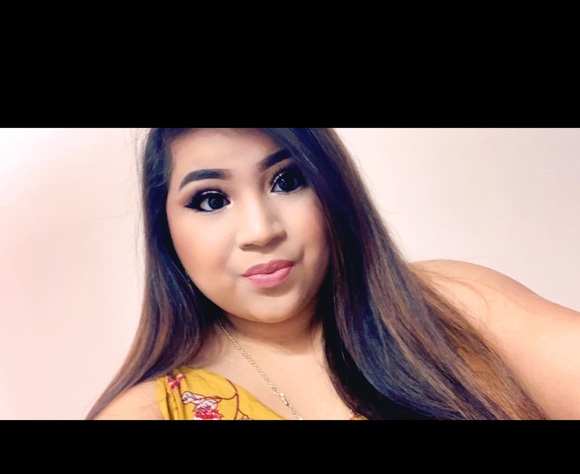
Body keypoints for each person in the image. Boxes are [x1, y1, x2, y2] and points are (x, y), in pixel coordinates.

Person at [86, 128, 580, 420]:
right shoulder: (152, 411)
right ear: (166, 230)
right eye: (212, 200)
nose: (261, 231)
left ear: (333, 189)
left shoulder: (453, 305)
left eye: (288, 180)